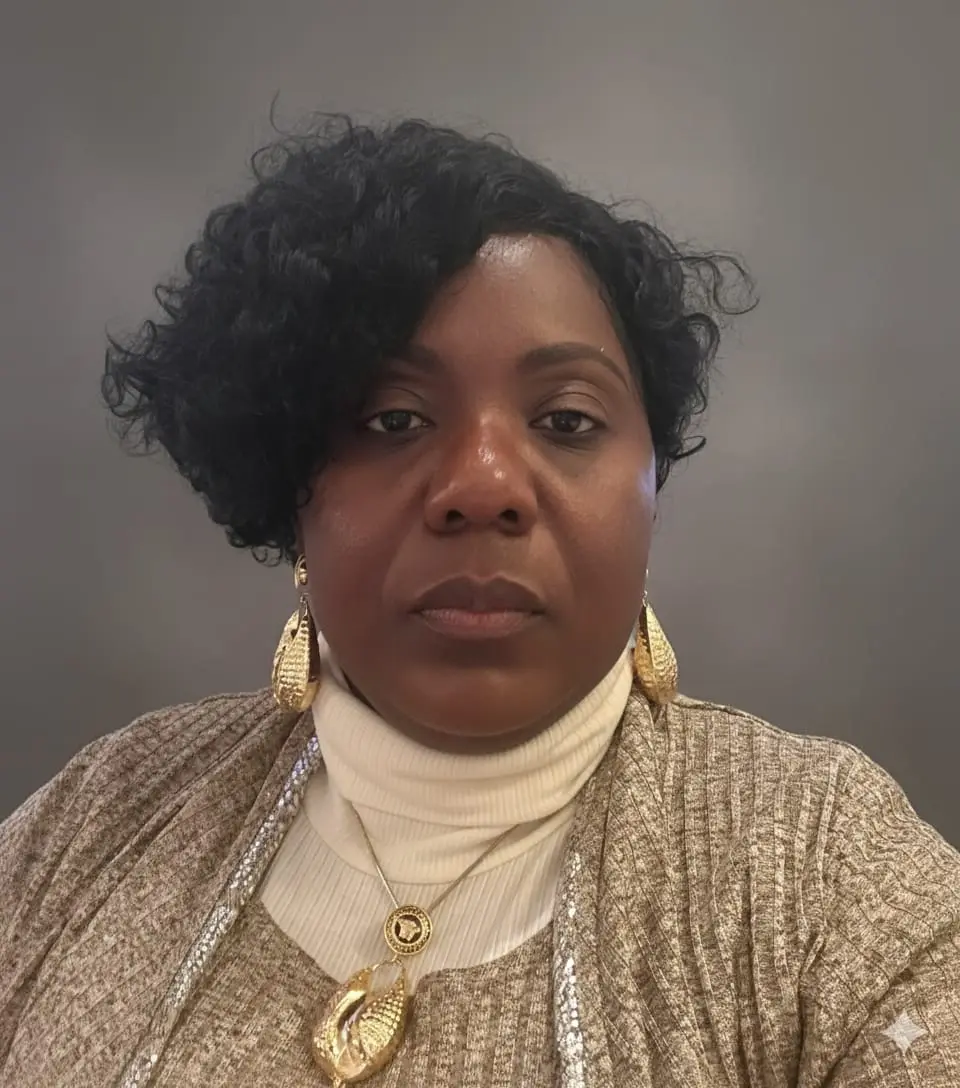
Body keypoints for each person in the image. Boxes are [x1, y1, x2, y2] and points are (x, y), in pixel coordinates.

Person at [1, 115, 958, 1088]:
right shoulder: (92, 825)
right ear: (287, 487)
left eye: (567, 419)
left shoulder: (825, 867)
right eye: (394, 418)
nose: (485, 484)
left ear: (651, 484)